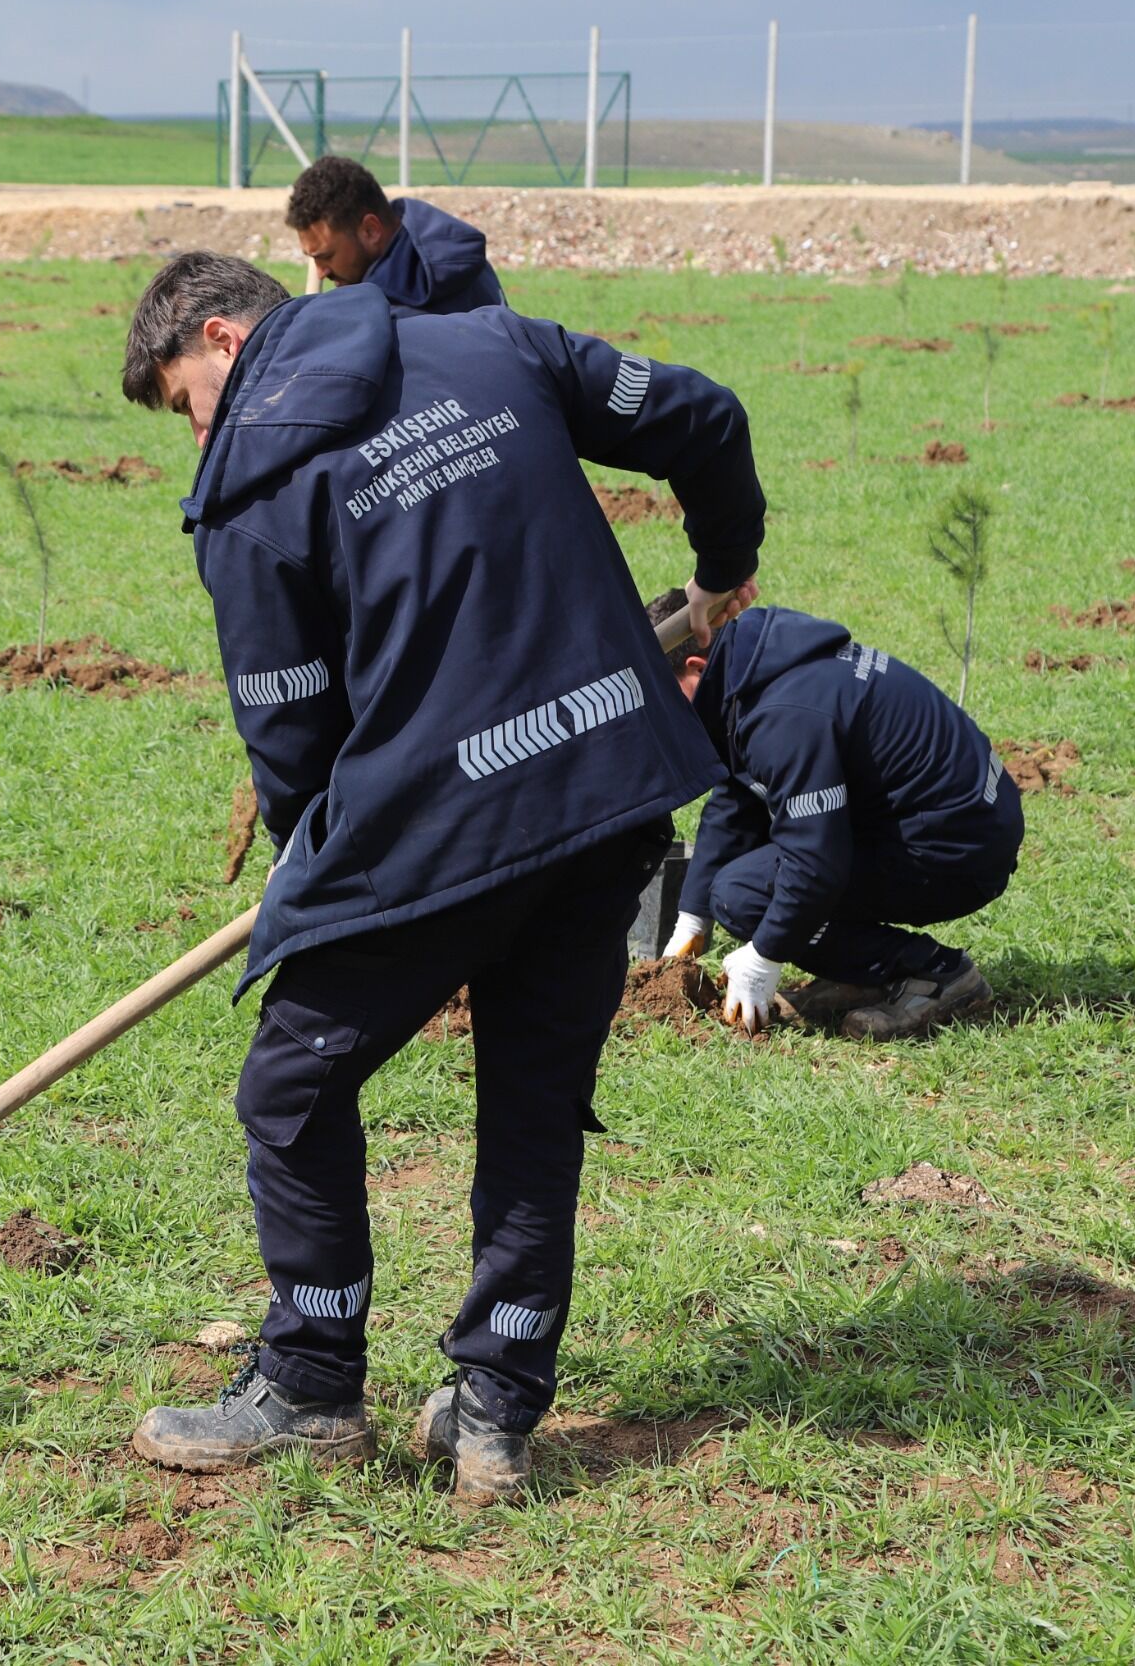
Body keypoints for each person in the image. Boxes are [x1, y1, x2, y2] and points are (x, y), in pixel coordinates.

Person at [116, 251, 765, 1497]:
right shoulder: (487, 344)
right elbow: (703, 416)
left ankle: (309, 1384)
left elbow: (291, 736)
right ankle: (494, 1412)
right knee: (530, 1097)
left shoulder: (249, 492)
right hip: (606, 789)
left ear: (222, 336)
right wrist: (723, 560)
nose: (198, 436)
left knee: (289, 1089)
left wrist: (328, 876)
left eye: (184, 401)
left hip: (444, 832)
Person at [652, 594, 1024, 1040]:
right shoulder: (752, 668)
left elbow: (816, 863)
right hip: (953, 821)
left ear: (695, 665)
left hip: (959, 848)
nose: (661, 718)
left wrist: (765, 955)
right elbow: (737, 798)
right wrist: (693, 916)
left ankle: (937, 974)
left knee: (743, 896)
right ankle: (860, 976)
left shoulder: (782, 716)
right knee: (731, 891)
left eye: (662, 697)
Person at [285, 155, 505, 315]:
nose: (321, 272)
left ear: (371, 230)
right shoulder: (454, 254)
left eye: (327, 255)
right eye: (313, 258)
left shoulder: (383, 316)